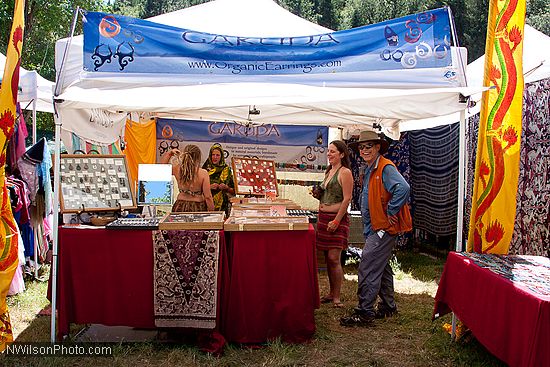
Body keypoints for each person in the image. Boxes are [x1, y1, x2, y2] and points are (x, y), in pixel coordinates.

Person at [340, 130, 411, 327]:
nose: (364, 150)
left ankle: (364, 312)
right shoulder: (371, 168)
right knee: (382, 266)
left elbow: (403, 188)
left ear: (378, 147)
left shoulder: (385, 167)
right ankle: (388, 306)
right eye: (362, 147)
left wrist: (391, 211)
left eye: (369, 146)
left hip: (382, 227)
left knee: (368, 265)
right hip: (375, 226)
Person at [314, 140, 354, 308]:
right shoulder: (329, 171)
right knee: (327, 258)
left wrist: (337, 220)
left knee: (333, 258)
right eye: (328, 151)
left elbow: (347, 198)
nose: (329, 154)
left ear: (342, 154)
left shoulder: (345, 172)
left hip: (337, 218)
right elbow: (327, 194)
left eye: (332, 152)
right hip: (323, 217)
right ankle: (331, 293)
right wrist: (318, 194)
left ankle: (336, 296)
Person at [160, 144, 215, 212]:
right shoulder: (203, 173)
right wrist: (212, 213)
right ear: (198, 158)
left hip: (179, 206)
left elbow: (162, 168)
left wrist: (170, 153)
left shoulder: (177, 169)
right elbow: (208, 197)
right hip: (198, 208)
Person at [202, 143, 235, 215]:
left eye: (217, 155)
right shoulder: (204, 169)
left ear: (222, 157)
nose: (215, 157)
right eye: (213, 155)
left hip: (223, 206)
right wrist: (209, 187)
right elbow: (197, 189)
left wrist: (226, 188)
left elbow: (234, 191)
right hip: (205, 205)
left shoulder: (227, 169)